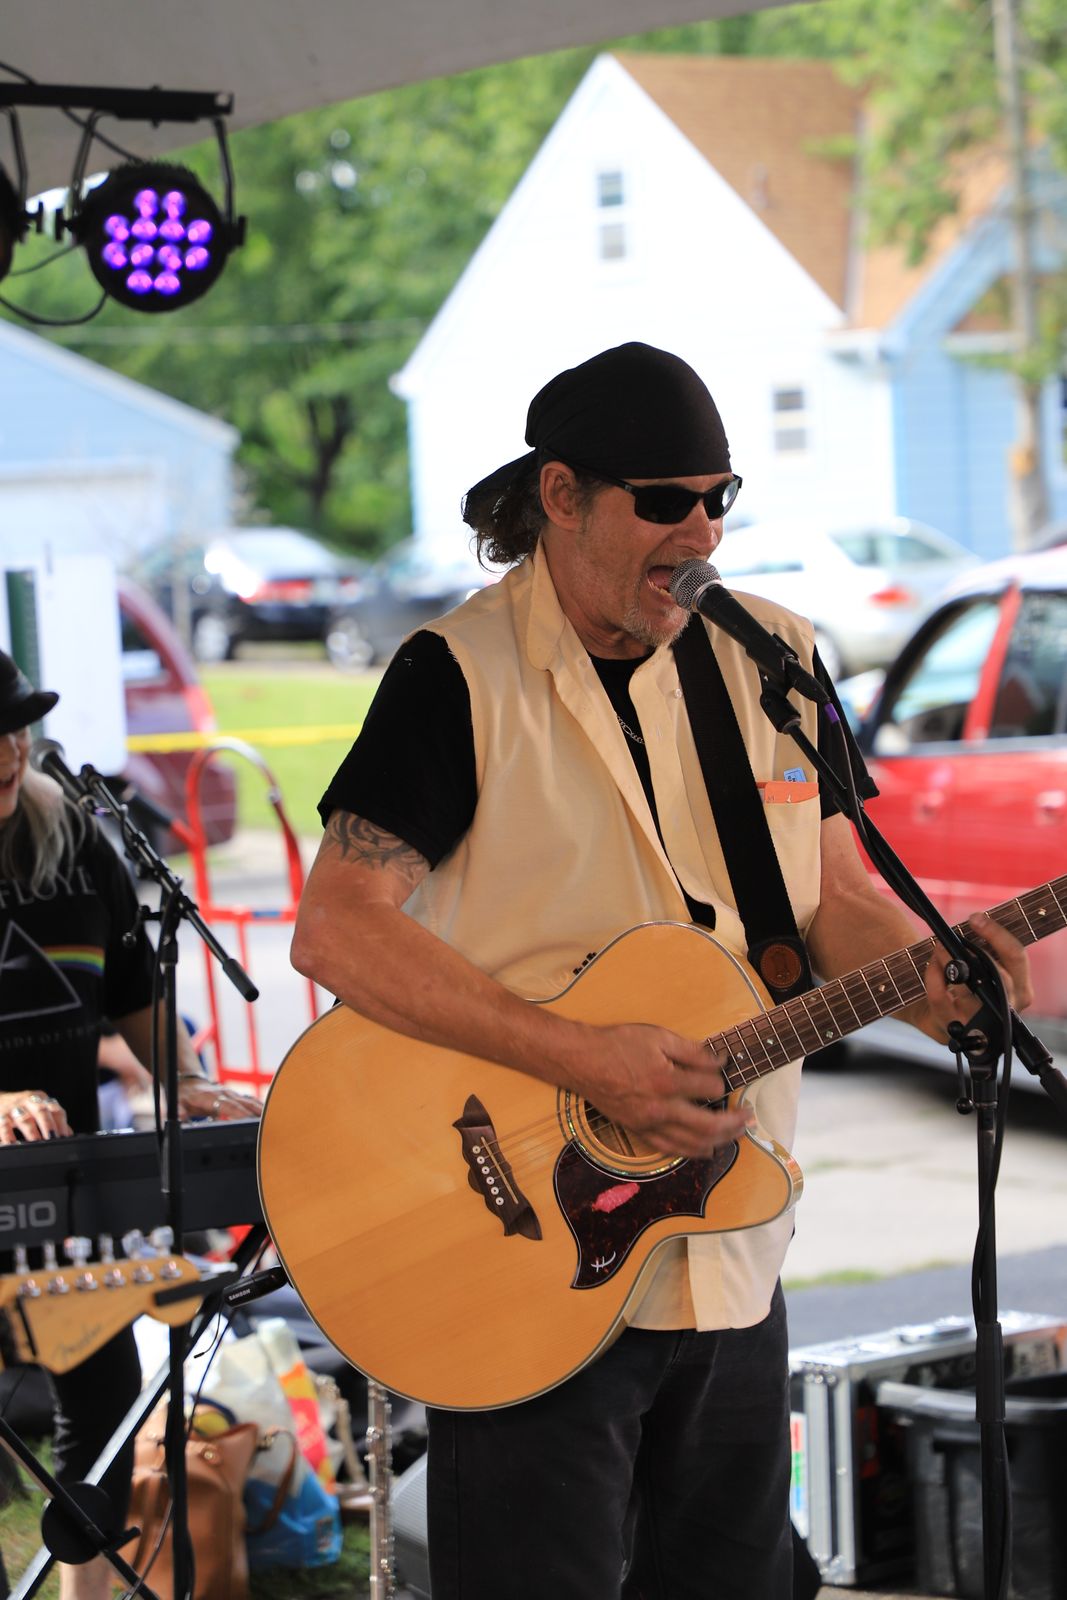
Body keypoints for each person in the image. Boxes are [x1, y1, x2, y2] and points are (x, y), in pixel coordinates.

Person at [291, 341, 1032, 1599]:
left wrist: (925, 982)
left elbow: (836, 901)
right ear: (561, 495)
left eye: (715, 499)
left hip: (725, 1235)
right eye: (662, 502)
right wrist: (583, 1059)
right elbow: (338, 928)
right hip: (516, 1248)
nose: (699, 533)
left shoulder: (775, 659)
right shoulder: (454, 674)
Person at [0, 649, 260, 1600]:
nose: (8, 750)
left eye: (15, 729)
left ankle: (89, 1590)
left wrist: (183, 1079)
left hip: (67, 1184)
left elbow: (132, 988)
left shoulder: (71, 836)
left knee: (105, 1405)